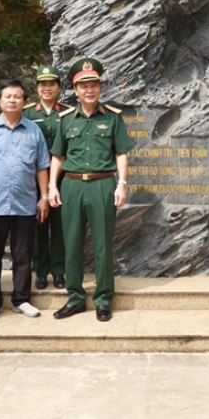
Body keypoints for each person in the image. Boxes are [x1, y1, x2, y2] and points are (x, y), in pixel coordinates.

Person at [49, 58, 132, 321]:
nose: (89, 90)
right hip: (72, 184)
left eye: (94, 84)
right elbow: (58, 156)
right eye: (83, 85)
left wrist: (121, 184)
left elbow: (121, 153)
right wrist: (52, 185)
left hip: (102, 184)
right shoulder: (65, 120)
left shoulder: (113, 118)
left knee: (102, 244)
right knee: (71, 243)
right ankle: (75, 298)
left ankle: (103, 298)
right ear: (75, 90)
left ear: (99, 88)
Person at [0, 79, 50, 323]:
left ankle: (21, 299)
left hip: (25, 203)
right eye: (8, 96)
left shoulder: (33, 130)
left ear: (24, 102)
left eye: (17, 96)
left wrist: (44, 197)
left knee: (23, 254)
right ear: (0, 101)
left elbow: (41, 167)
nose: (12, 100)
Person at [23, 65, 73, 290]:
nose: (47, 88)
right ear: (37, 88)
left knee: (61, 227)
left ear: (59, 87)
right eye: (43, 84)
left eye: (51, 84)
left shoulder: (68, 113)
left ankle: (59, 271)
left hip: (65, 178)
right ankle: (41, 271)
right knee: (39, 226)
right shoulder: (28, 114)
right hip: (35, 179)